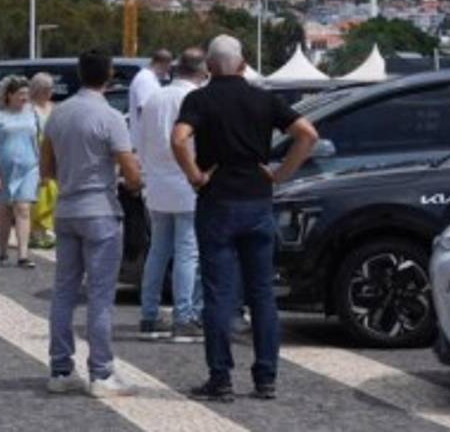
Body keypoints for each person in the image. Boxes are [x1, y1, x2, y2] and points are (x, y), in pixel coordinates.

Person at [172, 35, 318, 402]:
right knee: (262, 294)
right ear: (242, 64)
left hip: (218, 200)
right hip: (257, 199)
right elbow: (307, 134)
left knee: (218, 295)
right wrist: (282, 173)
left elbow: (178, 139)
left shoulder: (199, 99)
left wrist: (195, 175)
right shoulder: (264, 98)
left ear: (209, 66)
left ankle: (220, 378)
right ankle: (265, 377)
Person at [41, 49, 143, 398]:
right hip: (100, 209)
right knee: (100, 295)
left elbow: (46, 168)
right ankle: (101, 371)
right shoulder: (110, 117)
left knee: (64, 291)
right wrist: (133, 182)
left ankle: (60, 367)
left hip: (67, 209)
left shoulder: (58, 115)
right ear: (110, 75)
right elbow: (130, 171)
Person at [138, 49, 210, 342]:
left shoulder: (155, 97)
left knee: (158, 250)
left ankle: (150, 314)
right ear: (202, 71)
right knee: (187, 252)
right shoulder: (195, 99)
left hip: (156, 182)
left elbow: (141, 139)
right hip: (186, 181)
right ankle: (184, 316)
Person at [0, 75, 41, 267]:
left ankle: (23, 254)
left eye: (27, 94)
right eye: (20, 94)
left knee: (23, 208)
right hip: (3, 169)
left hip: (28, 168)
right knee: (5, 210)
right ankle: (3, 250)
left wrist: (41, 166)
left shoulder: (33, 114)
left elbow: (38, 140)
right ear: (9, 95)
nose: (25, 98)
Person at [28, 72, 58, 249]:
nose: (50, 92)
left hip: (54, 153)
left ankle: (49, 229)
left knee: (53, 192)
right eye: (47, 89)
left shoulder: (54, 108)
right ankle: (36, 231)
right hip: (36, 153)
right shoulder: (30, 110)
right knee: (38, 194)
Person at [128, 49, 172, 147]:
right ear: (163, 63)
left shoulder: (150, 79)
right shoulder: (146, 80)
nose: (169, 70)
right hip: (144, 143)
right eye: (169, 66)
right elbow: (145, 110)